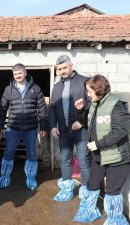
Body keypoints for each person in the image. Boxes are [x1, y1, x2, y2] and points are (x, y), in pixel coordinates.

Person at [73, 74, 130, 224]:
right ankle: (89, 211)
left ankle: (115, 219)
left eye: (90, 91)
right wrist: (80, 111)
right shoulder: (94, 104)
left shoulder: (116, 104)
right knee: (92, 185)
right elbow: (88, 121)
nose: (88, 94)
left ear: (99, 90)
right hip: (98, 156)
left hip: (116, 157)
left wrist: (97, 144)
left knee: (112, 191)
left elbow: (121, 131)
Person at [0, 63, 48, 190]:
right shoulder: (9, 89)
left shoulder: (35, 88)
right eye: (15, 74)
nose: (18, 76)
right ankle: (5, 177)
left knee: (31, 154)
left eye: (20, 73)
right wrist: (0, 127)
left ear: (25, 73)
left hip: (30, 128)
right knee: (8, 152)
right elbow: (2, 109)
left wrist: (43, 127)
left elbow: (42, 108)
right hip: (12, 127)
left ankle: (30, 178)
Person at [49, 55, 90, 202]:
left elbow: (92, 104)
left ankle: (86, 193)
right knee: (65, 159)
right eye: (59, 69)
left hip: (81, 130)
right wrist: (53, 126)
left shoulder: (84, 81)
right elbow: (52, 108)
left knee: (83, 160)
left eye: (64, 67)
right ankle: (67, 189)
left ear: (71, 65)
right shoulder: (57, 86)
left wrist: (82, 121)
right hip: (64, 131)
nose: (62, 71)